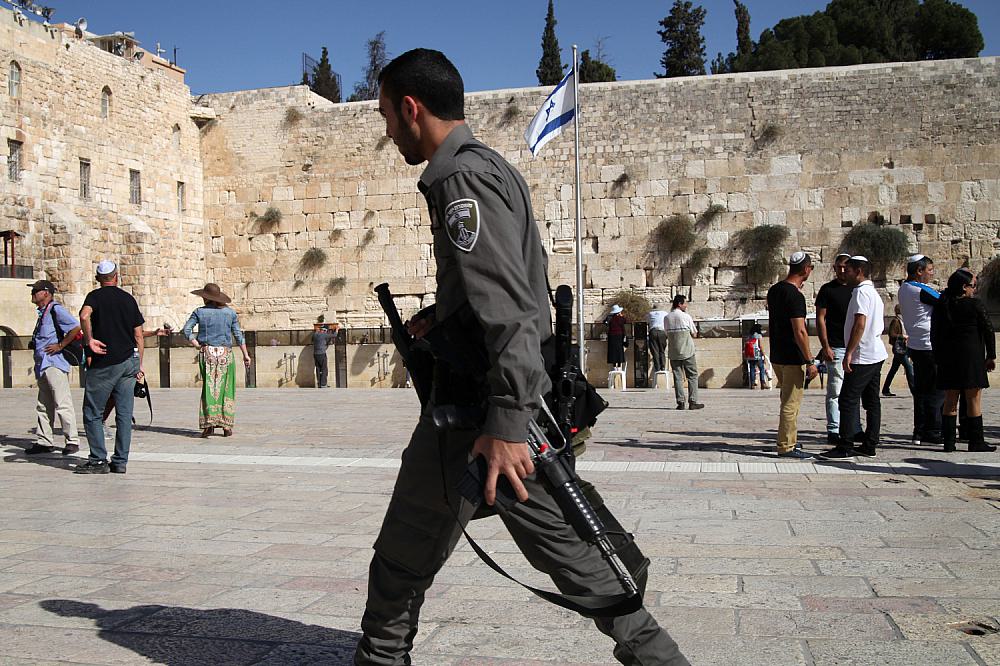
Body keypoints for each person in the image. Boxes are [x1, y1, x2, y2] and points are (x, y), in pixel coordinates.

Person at [354, 48, 688, 665]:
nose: (386, 131)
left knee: (577, 557)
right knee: (403, 551)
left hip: (495, 422)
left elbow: (510, 311)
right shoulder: (484, 168)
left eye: (386, 116)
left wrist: (508, 423)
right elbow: (500, 293)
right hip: (464, 413)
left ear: (410, 108)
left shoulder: (460, 178)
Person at [76, 261, 145, 474]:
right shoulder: (128, 299)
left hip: (105, 363)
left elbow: (84, 316)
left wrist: (89, 341)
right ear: (116, 276)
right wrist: (139, 365)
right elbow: (139, 335)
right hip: (128, 362)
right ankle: (120, 461)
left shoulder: (94, 297)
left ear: (98, 278)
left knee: (93, 411)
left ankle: (98, 459)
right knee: (124, 414)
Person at [819, 256, 887, 459]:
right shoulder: (872, 292)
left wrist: (849, 352)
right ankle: (870, 444)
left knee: (847, 399)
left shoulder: (860, 293)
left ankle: (845, 445)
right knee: (872, 400)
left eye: (847, 270)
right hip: (876, 352)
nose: (843, 273)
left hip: (863, 355)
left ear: (858, 271)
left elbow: (860, 323)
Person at [932, 269, 996, 453]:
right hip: (971, 357)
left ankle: (949, 443)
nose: (974, 290)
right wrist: (991, 356)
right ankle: (976, 441)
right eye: (973, 286)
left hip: (948, 358)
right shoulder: (975, 305)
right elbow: (988, 331)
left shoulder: (942, 305)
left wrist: (938, 357)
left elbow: (934, 334)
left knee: (950, 399)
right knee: (973, 399)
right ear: (963, 287)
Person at [766, 251, 819, 459]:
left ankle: (789, 438)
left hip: (777, 355)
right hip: (792, 357)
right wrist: (810, 361)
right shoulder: (795, 296)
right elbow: (800, 331)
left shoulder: (774, 290)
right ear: (806, 269)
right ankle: (786, 446)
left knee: (786, 399)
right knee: (791, 403)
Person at [182, 283, 251, 438]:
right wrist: (245, 354)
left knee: (209, 388)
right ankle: (226, 426)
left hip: (207, 353)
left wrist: (196, 344)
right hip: (225, 354)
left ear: (206, 298)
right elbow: (238, 335)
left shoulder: (199, 312)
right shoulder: (230, 313)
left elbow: (186, 330)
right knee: (227, 388)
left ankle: (208, 425)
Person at [25, 279, 81, 456]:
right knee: (43, 404)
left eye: (36, 290)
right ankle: (44, 440)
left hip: (54, 362)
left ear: (46, 293)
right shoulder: (43, 312)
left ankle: (72, 440)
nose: (33, 293)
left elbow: (75, 327)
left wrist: (61, 345)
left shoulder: (56, 309)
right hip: (42, 363)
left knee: (62, 402)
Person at [898, 254, 943, 445]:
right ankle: (932, 432)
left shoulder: (904, 288)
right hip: (929, 346)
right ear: (919, 271)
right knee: (935, 391)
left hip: (916, 346)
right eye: (930, 270)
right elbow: (944, 301)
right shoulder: (920, 289)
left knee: (922, 391)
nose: (931, 274)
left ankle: (919, 430)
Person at [815, 253, 853, 447]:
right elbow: (820, 318)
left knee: (853, 392)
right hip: (836, 347)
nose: (842, 270)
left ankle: (853, 427)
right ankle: (834, 429)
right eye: (839, 267)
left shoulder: (858, 290)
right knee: (835, 390)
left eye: (846, 266)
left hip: (855, 348)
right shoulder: (827, 290)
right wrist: (825, 346)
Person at [665, 294, 703, 410]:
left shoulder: (667, 317)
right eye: (684, 303)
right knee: (692, 375)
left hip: (674, 351)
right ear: (679, 304)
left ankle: (680, 402)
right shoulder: (686, 317)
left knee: (677, 377)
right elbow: (694, 333)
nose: (686, 305)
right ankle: (693, 401)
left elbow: (667, 332)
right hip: (687, 351)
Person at [882, 303, 913, 396]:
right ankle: (914, 390)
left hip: (903, 348)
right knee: (909, 369)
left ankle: (885, 389)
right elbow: (891, 334)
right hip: (900, 350)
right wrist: (902, 336)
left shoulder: (904, 321)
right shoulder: (896, 321)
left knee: (893, 370)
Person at [743, 322, 769, 389]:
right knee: (761, 368)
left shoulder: (749, 335)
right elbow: (760, 346)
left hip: (750, 354)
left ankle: (752, 384)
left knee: (752, 368)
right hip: (757, 353)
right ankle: (763, 383)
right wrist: (763, 354)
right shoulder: (758, 335)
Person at [646, 302, 668, 373]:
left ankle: (657, 367)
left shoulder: (650, 314)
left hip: (653, 331)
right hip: (662, 332)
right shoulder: (665, 313)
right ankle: (663, 366)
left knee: (655, 351)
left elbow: (647, 322)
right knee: (662, 350)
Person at [605, 305, 627, 370]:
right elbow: (625, 321)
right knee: (619, 351)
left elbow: (605, 322)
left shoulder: (610, 318)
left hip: (612, 336)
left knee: (613, 352)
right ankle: (619, 366)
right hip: (619, 336)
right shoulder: (621, 318)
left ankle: (614, 367)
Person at [312, 323, 334, 388]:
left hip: (315, 354)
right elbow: (334, 335)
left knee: (318, 368)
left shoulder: (315, 334)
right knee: (324, 369)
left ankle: (319, 383)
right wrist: (337, 330)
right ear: (324, 330)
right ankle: (323, 384)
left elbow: (312, 340)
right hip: (322, 354)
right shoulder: (323, 335)